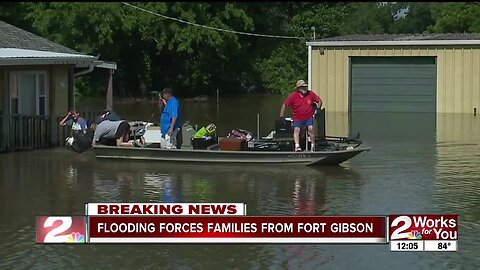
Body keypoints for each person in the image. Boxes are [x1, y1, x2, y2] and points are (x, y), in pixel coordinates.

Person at [279, 80, 322, 152]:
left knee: (311, 129)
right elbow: (284, 105)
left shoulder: (310, 94)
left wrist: (318, 109)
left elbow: (319, 101)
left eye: (305, 87)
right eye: (302, 87)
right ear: (298, 89)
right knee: (297, 129)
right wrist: (281, 116)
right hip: (298, 117)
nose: (304, 88)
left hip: (308, 116)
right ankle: (297, 146)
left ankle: (312, 145)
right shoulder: (293, 96)